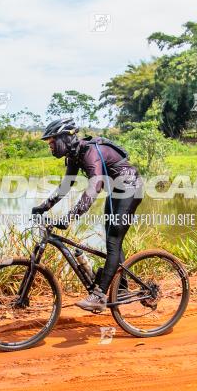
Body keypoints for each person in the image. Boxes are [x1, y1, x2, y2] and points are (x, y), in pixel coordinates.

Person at [31, 117, 143, 312]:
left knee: (114, 238)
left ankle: (99, 296)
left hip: (130, 189)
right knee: (111, 236)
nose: (50, 147)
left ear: (65, 138)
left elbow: (94, 186)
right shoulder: (74, 156)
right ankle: (122, 288)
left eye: (51, 142)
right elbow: (66, 186)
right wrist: (43, 207)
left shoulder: (90, 152)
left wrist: (71, 216)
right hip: (115, 193)